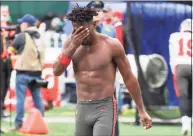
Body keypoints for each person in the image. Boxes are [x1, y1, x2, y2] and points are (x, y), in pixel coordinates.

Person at [53, 5, 152, 136]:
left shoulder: (111, 45)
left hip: (104, 107)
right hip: (82, 107)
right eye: (75, 30)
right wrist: (72, 46)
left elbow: (128, 77)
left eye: (83, 30)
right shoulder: (70, 43)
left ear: (94, 24)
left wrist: (141, 110)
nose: (78, 34)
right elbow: (56, 71)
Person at [6, 14, 46, 131]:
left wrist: (8, 41)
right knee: (37, 99)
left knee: (20, 99)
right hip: (37, 73)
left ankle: (18, 123)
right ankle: (41, 121)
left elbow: (10, 50)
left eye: (22, 23)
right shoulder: (40, 36)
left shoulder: (22, 36)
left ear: (25, 24)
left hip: (23, 73)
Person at [169, 18, 192, 135]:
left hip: (180, 66)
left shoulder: (174, 36)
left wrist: (174, 70)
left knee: (184, 96)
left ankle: (185, 122)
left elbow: (172, 55)